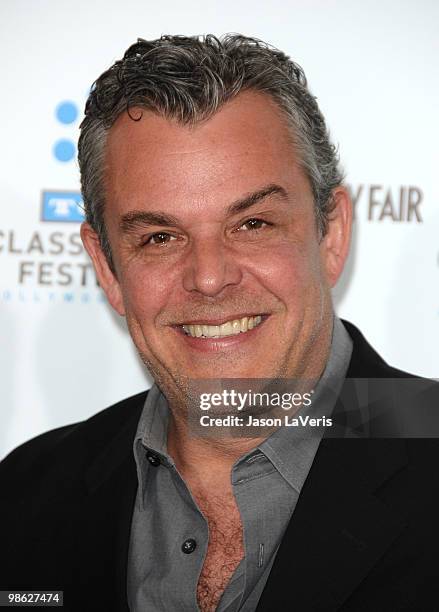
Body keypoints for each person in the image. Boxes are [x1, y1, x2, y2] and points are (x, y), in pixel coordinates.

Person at [1, 34, 438, 612]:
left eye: (252, 224)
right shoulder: (26, 495)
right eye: (160, 237)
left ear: (330, 233)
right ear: (106, 267)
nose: (209, 278)